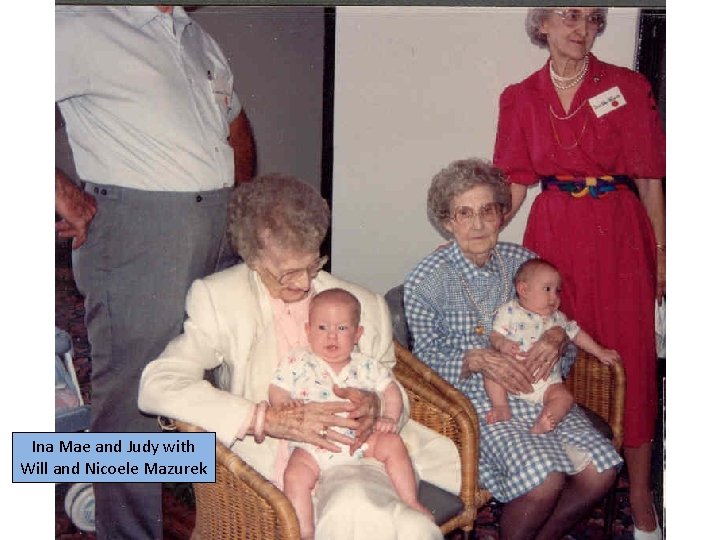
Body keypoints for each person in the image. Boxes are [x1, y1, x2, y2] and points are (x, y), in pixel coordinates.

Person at [139, 174, 457, 540]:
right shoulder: (220, 298)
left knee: (369, 508)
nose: (306, 284)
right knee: (359, 512)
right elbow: (157, 385)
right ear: (253, 260)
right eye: (289, 273)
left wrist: (377, 407)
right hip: (277, 464)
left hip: (363, 454)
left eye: (314, 265)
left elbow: (394, 388)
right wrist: (264, 418)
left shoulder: (362, 305)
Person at [55, 5, 256, 538]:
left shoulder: (197, 38)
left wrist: (237, 201)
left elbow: (233, 122)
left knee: (201, 370)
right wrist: (57, 189)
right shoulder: (79, 24)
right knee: (134, 388)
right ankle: (123, 525)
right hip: (139, 228)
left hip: (217, 222)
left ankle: (199, 513)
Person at [492, 8, 665, 538]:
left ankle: (638, 495)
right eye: (569, 15)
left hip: (617, 231)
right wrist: (480, 237)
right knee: (553, 355)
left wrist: (663, 254)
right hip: (554, 233)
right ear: (542, 24)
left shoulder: (627, 87)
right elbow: (516, 183)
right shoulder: (518, 97)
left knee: (629, 355)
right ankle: (564, 474)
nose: (581, 28)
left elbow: (650, 180)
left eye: (592, 18)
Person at [404, 158, 622, 540]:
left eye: (487, 211)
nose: (477, 224)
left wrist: (556, 342)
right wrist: (473, 359)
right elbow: (421, 360)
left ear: (502, 215)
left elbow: (563, 334)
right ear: (447, 221)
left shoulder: (524, 263)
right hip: (477, 398)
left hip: (540, 390)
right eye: (464, 213)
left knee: (601, 472)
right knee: (544, 481)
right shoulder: (427, 278)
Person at [270, 288, 432, 539]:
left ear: (358, 334)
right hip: (314, 442)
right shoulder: (298, 362)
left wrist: (388, 416)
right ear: (308, 331)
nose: (331, 336)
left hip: (362, 438)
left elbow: (391, 391)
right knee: (294, 475)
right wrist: (284, 405)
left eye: (342, 329)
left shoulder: (366, 365)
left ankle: (410, 500)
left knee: (393, 444)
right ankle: (304, 530)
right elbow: (277, 388)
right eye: (322, 328)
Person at [486, 258, 621, 434]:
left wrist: (600, 351)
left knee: (564, 397)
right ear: (523, 289)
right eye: (547, 289)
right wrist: (502, 344)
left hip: (546, 383)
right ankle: (501, 406)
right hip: (511, 374)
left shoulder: (558, 319)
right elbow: (495, 334)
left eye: (557, 291)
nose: (554, 297)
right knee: (490, 371)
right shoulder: (510, 311)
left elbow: (577, 334)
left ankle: (545, 421)